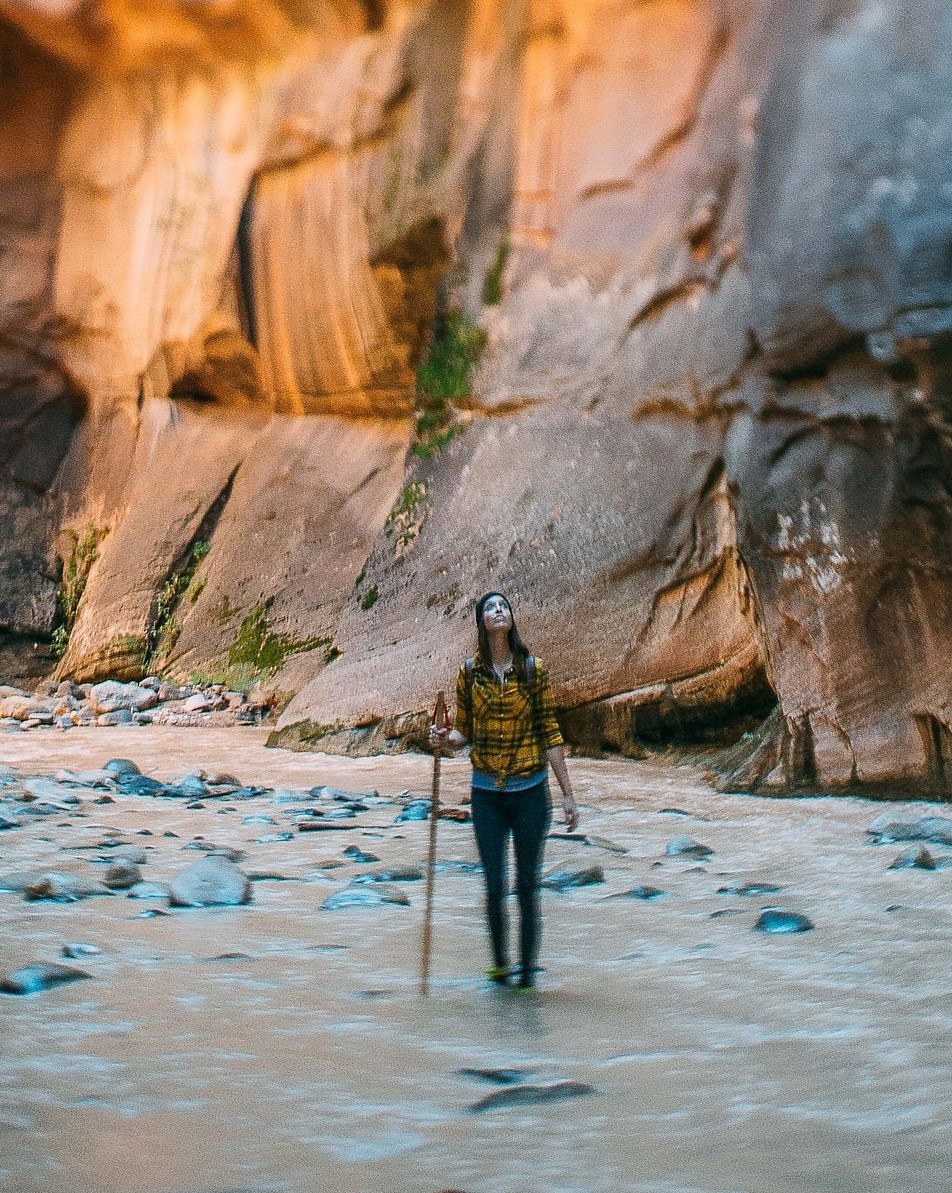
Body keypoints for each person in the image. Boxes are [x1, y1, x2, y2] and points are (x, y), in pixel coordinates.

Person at [429, 591, 578, 993]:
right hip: (487, 795)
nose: (499, 611)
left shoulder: (533, 669)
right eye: (490, 608)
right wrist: (443, 740)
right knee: (494, 887)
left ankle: (528, 975)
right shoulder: (469, 673)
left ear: (511, 618)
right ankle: (500, 968)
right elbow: (465, 732)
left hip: (530, 790)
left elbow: (550, 730)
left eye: (504, 606)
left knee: (527, 887)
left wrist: (567, 794)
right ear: (481, 622)